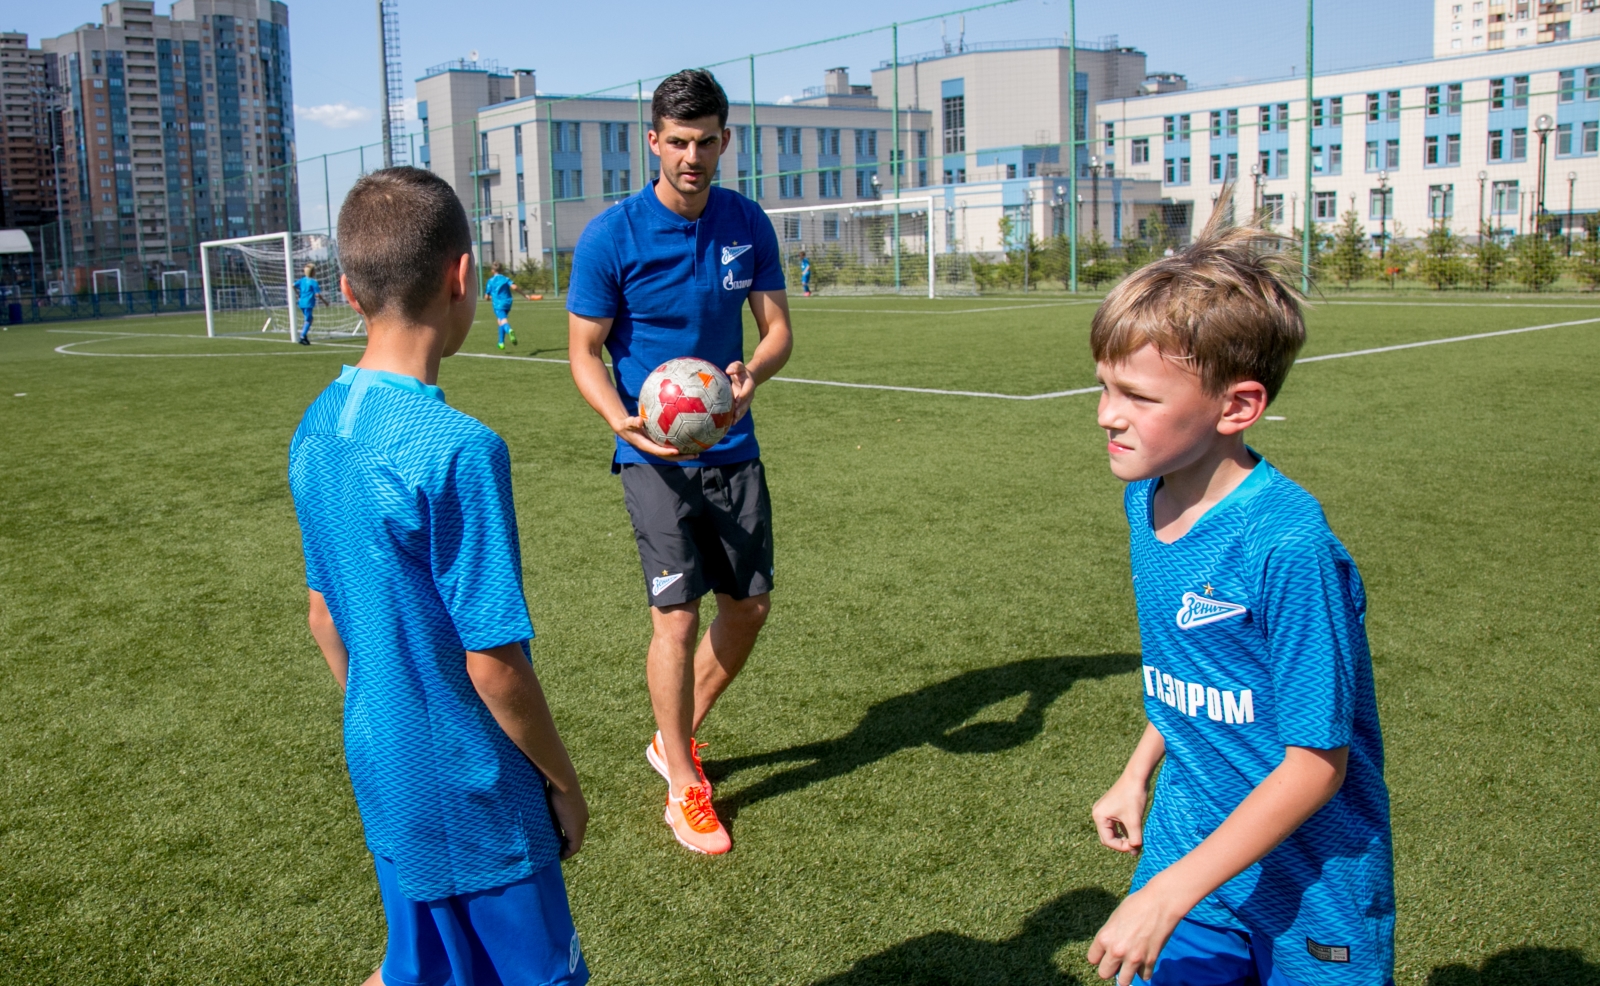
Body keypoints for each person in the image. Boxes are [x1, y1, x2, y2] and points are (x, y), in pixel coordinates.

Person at [289, 167, 589, 986]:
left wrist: (391, 716)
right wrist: (563, 783)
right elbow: (492, 663)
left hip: (382, 764)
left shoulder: (317, 425)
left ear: (347, 291)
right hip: (477, 789)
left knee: (416, 970)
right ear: (463, 277)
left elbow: (324, 615)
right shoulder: (458, 448)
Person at [1085, 207, 1393, 986]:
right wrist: (1137, 770)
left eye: (1137, 396)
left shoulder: (1287, 545)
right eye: (1103, 388)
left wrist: (1166, 894)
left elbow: (1317, 764)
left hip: (1313, 883)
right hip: (1188, 842)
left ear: (1238, 407)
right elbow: (1191, 673)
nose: (1107, 415)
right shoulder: (1145, 498)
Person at [565, 68, 793, 856]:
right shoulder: (611, 236)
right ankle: (683, 787)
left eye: (706, 142)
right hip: (652, 456)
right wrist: (618, 421)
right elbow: (584, 351)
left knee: (749, 609)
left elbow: (777, 331)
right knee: (677, 616)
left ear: (725, 141)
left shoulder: (746, 222)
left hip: (733, 448)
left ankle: (672, 737)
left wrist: (751, 374)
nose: (692, 157)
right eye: (678, 143)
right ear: (653, 142)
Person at [485, 262, 517, 349]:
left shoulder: (490, 281)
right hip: (507, 302)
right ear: (502, 270)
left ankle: (509, 330)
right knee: (500, 321)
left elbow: (486, 296)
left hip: (498, 305)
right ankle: (501, 343)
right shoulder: (506, 279)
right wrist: (525, 295)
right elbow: (514, 287)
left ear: (492, 270)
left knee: (503, 320)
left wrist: (490, 297)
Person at [293, 264, 323, 345]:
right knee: (308, 320)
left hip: (301, 303)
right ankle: (302, 336)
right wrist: (325, 301)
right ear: (312, 272)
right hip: (308, 303)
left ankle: (304, 336)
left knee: (309, 319)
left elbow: (293, 285)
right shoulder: (313, 282)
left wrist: (298, 295)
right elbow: (317, 294)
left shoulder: (302, 280)